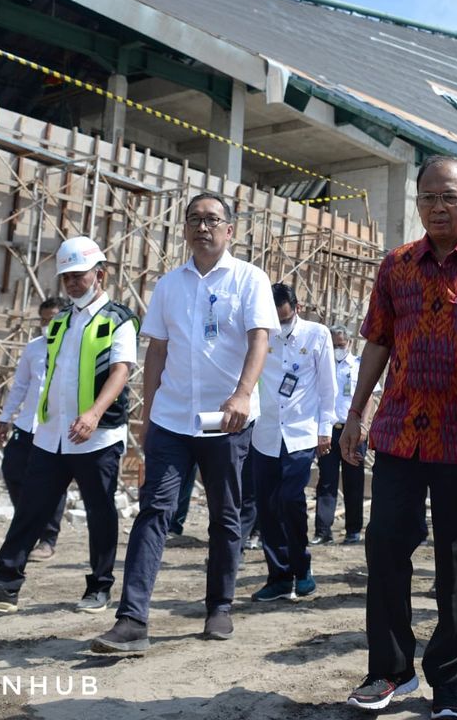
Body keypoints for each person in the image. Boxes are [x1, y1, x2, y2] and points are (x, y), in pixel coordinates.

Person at [341, 155, 457, 719]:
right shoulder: (395, 267)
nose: (437, 207)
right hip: (398, 431)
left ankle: (448, 677)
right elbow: (378, 343)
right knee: (385, 545)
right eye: (428, 198)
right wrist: (355, 412)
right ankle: (389, 670)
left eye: (449, 198)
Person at [92, 193, 277, 651]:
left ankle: (219, 606)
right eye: (194, 219)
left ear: (230, 230)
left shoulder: (249, 279)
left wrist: (242, 395)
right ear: (185, 228)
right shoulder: (169, 285)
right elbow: (156, 350)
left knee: (225, 515)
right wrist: (148, 414)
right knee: (154, 511)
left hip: (226, 420)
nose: (203, 227)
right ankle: (132, 620)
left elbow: (259, 342)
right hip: (172, 418)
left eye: (213, 220)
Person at [0, 236, 138, 615]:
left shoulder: (118, 319)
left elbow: (121, 372)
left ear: (99, 274)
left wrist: (93, 414)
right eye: (67, 276)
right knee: (30, 511)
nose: (72, 282)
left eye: (79, 275)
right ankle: (3, 585)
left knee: (100, 512)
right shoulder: (59, 325)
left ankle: (99, 587)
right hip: (52, 436)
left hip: (97, 436)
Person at [250, 282, 336, 602]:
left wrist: (325, 428)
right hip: (265, 431)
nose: (280, 326)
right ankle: (279, 576)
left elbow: (328, 386)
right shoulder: (260, 334)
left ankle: (303, 569)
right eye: (275, 320)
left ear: (296, 309)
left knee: (290, 499)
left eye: (285, 320)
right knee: (268, 506)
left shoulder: (317, 335)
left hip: (301, 432)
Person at [0, 296, 66, 562]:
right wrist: (5, 417)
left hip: (55, 427)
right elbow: (21, 385)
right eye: (44, 320)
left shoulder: (73, 348)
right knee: (12, 470)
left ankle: (47, 539)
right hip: (27, 424)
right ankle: (28, 523)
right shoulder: (34, 348)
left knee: (54, 484)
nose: (48, 325)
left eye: (54, 319)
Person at [313, 324, 374, 546]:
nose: (338, 349)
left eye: (341, 344)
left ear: (348, 343)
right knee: (326, 481)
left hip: (353, 433)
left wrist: (364, 426)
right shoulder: (323, 366)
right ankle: (322, 531)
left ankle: (353, 530)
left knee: (354, 482)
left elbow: (369, 399)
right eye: (334, 345)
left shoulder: (358, 366)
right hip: (329, 432)